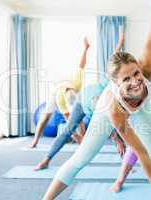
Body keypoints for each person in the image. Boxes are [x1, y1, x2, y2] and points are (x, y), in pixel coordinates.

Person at [42, 1, 151, 199]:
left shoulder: (147, 65)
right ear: (115, 82)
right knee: (81, 159)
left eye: (136, 73)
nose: (136, 82)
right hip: (108, 111)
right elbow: (139, 152)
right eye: (126, 79)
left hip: (142, 108)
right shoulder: (113, 109)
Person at [34, 34, 126, 171]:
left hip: (85, 99)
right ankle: (46, 160)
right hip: (81, 104)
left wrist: (119, 45)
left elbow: (114, 60)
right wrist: (116, 140)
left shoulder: (107, 81)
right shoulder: (63, 98)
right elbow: (105, 122)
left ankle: (126, 165)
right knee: (67, 131)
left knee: (119, 132)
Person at [30, 38, 90, 148]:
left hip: (66, 89)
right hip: (56, 92)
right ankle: (35, 141)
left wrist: (85, 50)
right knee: (45, 118)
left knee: (79, 116)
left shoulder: (77, 82)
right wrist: (77, 137)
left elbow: (82, 64)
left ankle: (84, 141)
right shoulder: (60, 98)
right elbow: (69, 120)